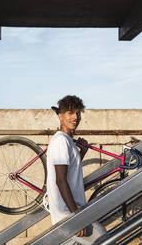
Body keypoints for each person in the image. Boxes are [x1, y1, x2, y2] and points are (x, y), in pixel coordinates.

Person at [46, 95, 107, 245]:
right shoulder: (61, 141)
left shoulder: (67, 141)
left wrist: (82, 153)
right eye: (70, 113)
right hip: (69, 214)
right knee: (105, 240)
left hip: (70, 213)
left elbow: (70, 171)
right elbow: (60, 180)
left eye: (78, 113)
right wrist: (77, 217)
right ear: (60, 116)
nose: (75, 117)